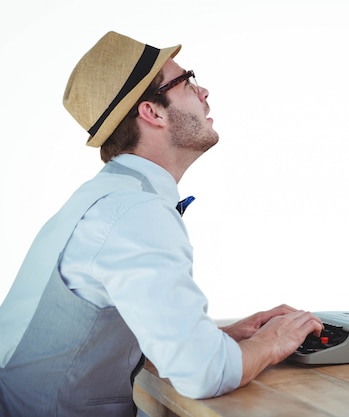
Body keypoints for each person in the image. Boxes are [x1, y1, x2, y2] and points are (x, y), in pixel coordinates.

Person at [0, 31, 323, 417]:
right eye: (188, 81)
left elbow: (116, 330)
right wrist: (275, 340)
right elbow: (204, 373)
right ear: (152, 112)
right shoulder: (135, 211)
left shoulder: (107, 197)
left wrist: (222, 337)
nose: (204, 93)